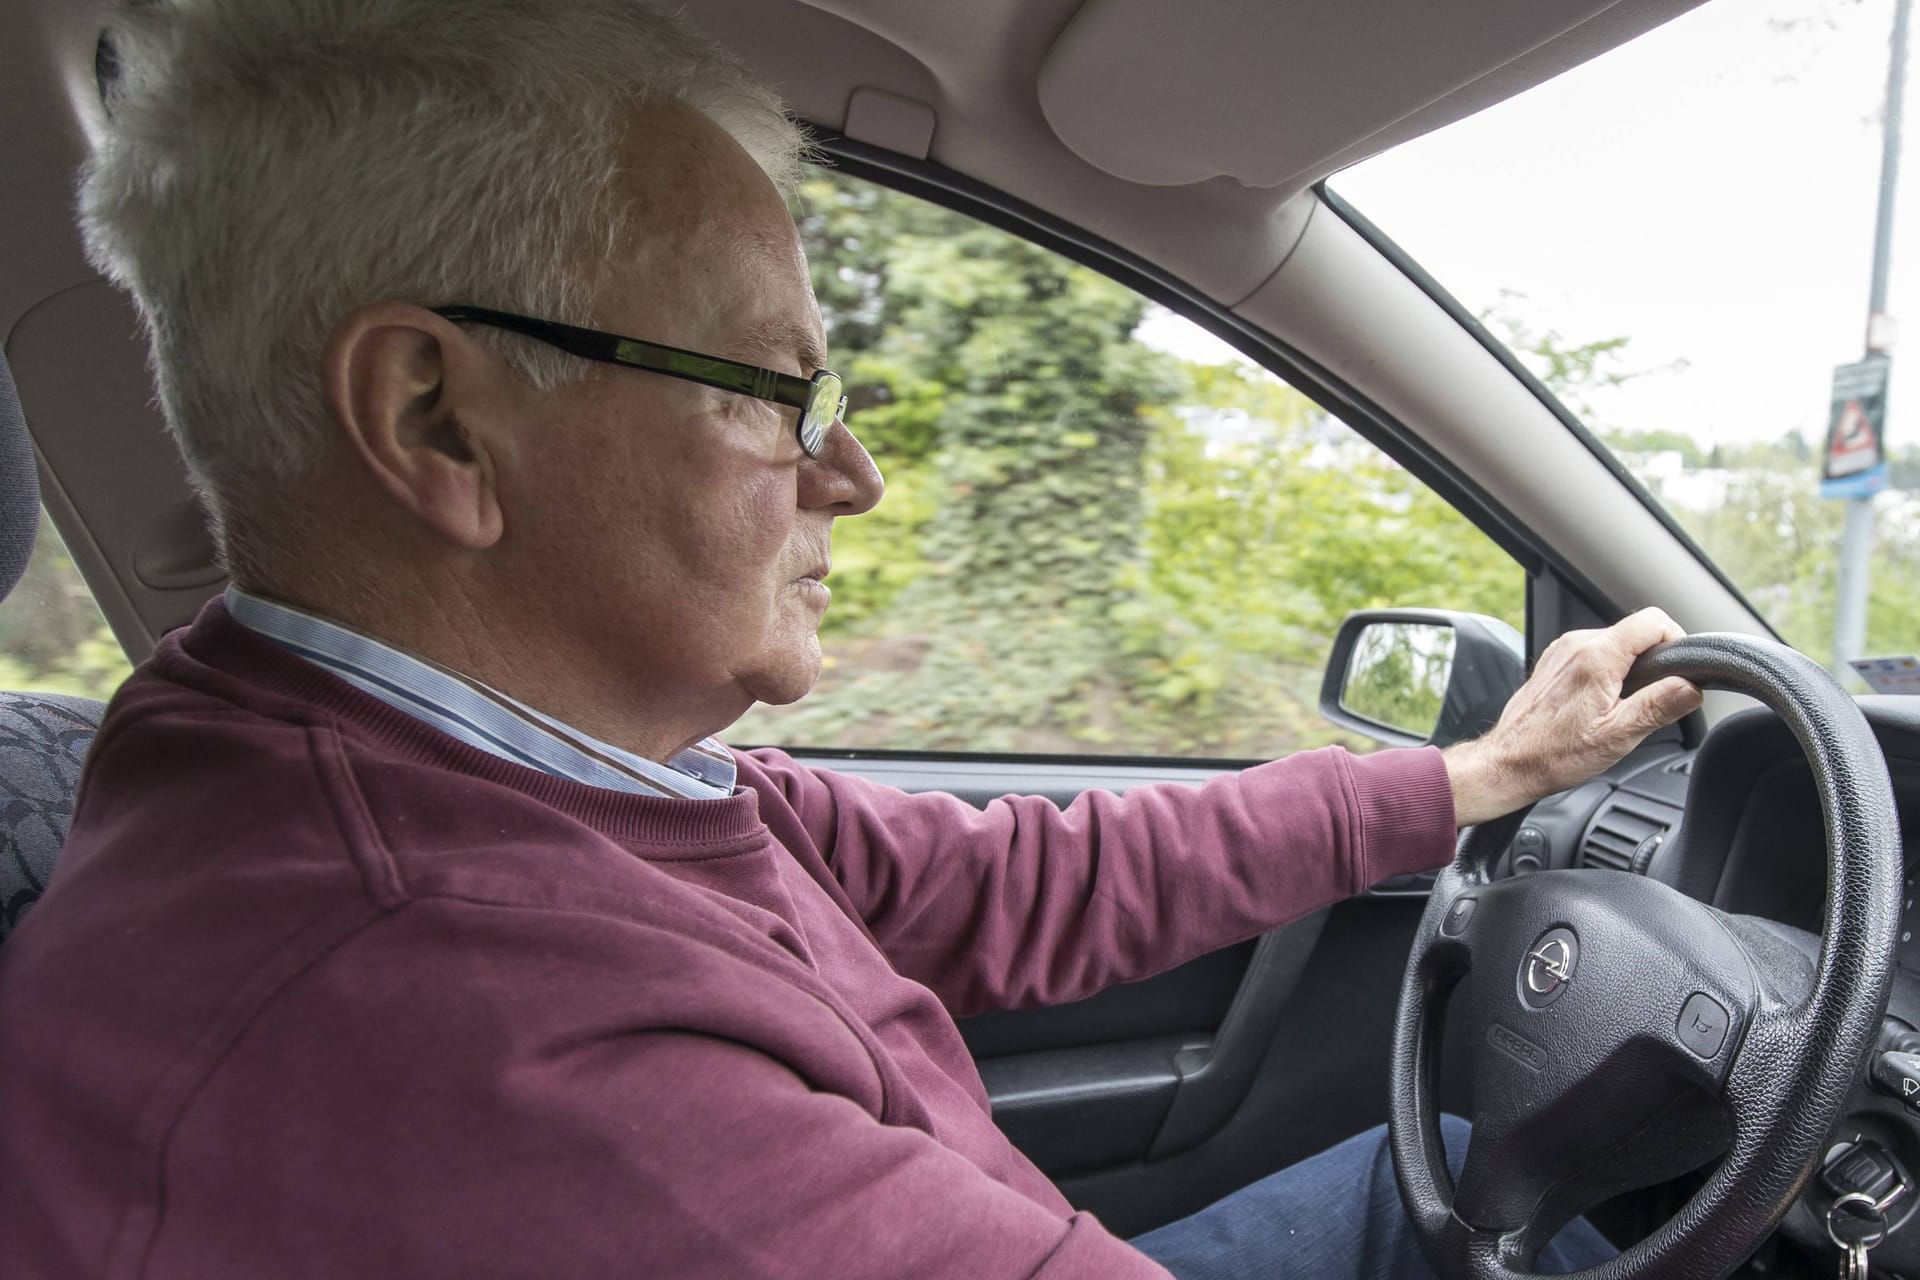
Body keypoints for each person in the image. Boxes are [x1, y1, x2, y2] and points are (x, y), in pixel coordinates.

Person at [0, 1, 1702, 1276]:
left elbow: (998, 884)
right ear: (438, 421)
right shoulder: (463, 1029)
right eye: (771, 387)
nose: (856, 473)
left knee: (1475, 1166)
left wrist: (1473, 775)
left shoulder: (486, 763)